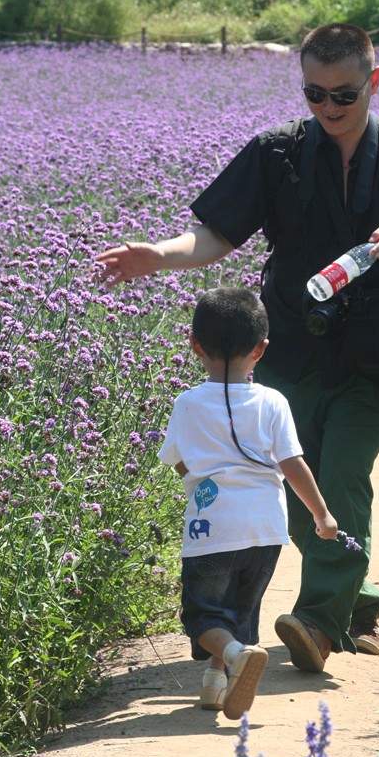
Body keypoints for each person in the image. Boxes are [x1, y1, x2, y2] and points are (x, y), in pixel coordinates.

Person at [97, 22, 379, 674]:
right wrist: (158, 256)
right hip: (290, 347)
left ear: (372, 83)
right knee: (297, 491)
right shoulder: (275, 154)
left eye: (343, 95)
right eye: (314, 94)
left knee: (343, 476)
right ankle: (359, 597)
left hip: (376, 353)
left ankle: (319, 623)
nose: (328, 108)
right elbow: (215, 236)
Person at [157, 287, 337, 718]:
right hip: (265, 530)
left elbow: (179, 463)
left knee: (203, 616)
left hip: (212, 529)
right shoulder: (273, 402)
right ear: (261, 349)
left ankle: (236, 658)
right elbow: (292, 465)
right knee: (238, 608)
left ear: (194, 344)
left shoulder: (187, 403)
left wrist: (203, 488)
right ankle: (214, 684)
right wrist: (321, 513)